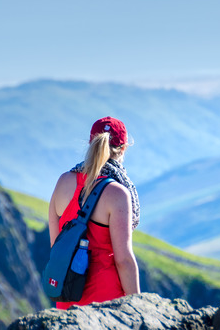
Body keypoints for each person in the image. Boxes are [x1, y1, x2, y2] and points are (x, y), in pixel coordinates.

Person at [48, 116, 140, 307]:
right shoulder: (118, 194)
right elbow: (123, 260)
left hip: (67, 302)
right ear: (123, 149)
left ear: (91, 144)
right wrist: (139, 308)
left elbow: (57, 248)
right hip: (106, 306)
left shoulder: (63, 182)